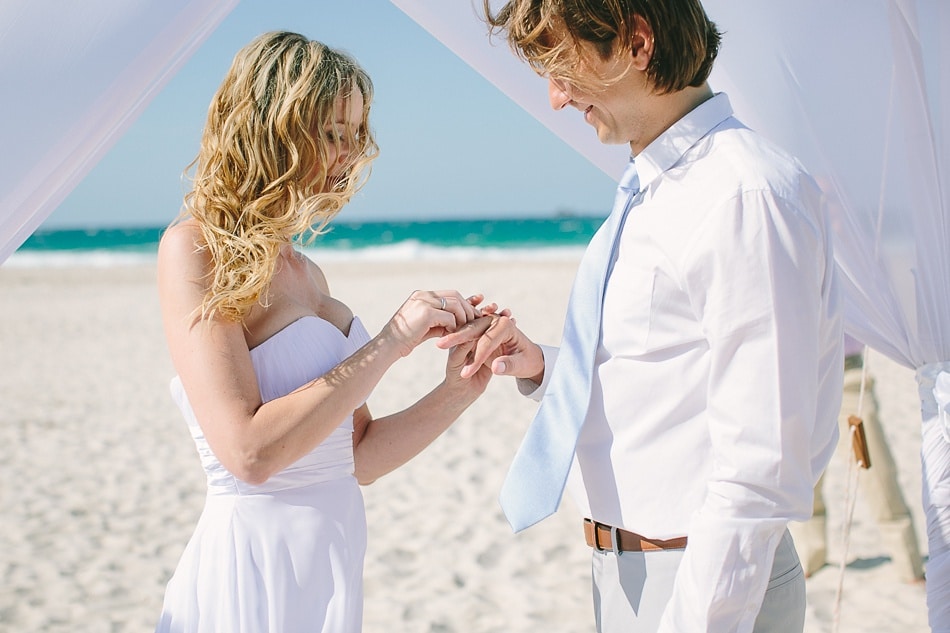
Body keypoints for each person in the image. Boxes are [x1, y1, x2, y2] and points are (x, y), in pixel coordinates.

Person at [441, 2, 844, 631]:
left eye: (561, 65)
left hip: (704, 586)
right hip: (629, 574)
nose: (553, 98)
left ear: (636, 41)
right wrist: (547, 368)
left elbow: (761, 468)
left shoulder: (743, 195)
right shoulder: (656, 188)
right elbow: (666, 376)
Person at [154, 31, 496, 632]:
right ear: (272, 127)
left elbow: (355, 458)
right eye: (333, 134)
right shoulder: (195, 250)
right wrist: (390, 340)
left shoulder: (306, 269)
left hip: (330, 562)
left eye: (356, 135)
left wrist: (460, 387)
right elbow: (250, 453)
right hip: (252, 568)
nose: (348, 154)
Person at [790, 335, 925, 581]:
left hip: (847, 378)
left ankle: (908, 562)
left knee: (875, 472)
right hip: (799, 381)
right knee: (807, 477)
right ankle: (811, 556)